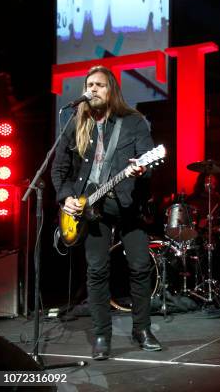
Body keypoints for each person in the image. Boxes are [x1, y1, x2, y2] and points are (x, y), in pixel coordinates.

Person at [51, 66, 162, 360]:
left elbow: (146, 163)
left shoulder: (133, 121)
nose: (93, 89)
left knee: (140, 267)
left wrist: (139, 169)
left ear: (111, 89)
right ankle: (102, 335)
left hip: (127, 202)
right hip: (89, 209)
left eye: (99, 84)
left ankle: (142, 330)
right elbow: (58, 169)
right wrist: (67, 198)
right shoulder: (76, 122)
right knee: (97, 271)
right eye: (89, 84)